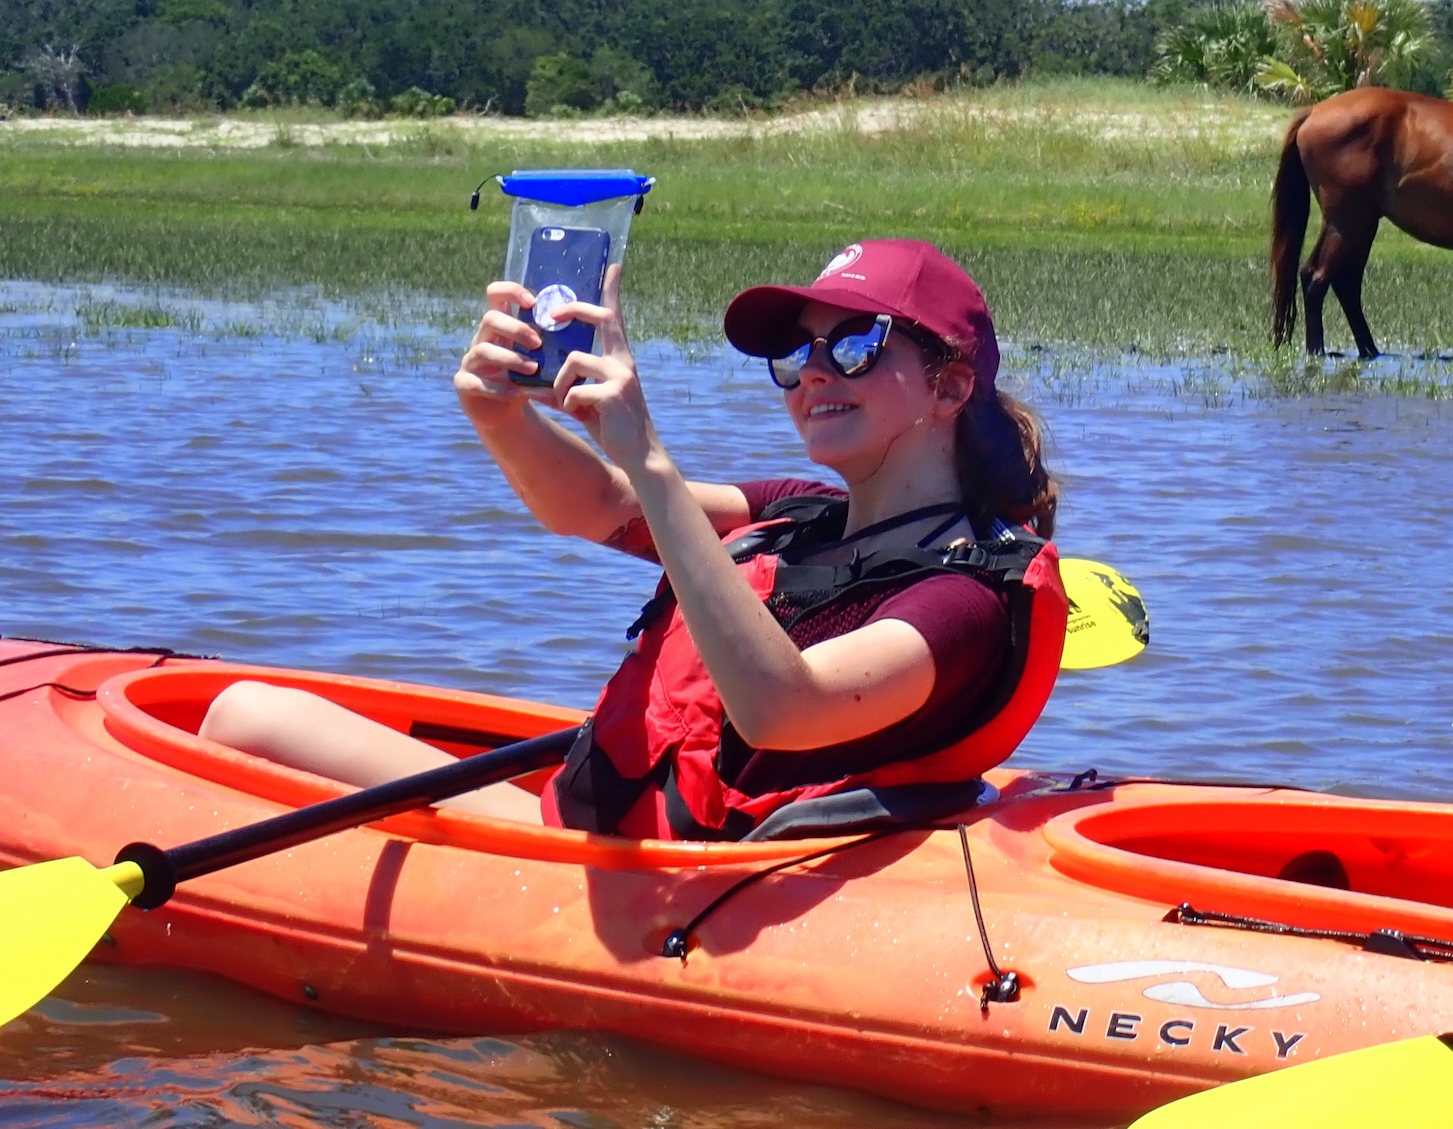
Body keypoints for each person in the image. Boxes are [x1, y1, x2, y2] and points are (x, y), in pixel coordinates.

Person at [198, 239, 1068, 841]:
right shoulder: (798, 511)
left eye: (853, 348)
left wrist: (649, 454)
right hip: (616, 836)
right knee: (243, 707)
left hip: (674, 876)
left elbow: (786, 708)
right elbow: (601, 505)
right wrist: (495, 413)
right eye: (795, 356)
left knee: (242, 716)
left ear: (951, 389)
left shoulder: (966, 599)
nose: (809, 375)